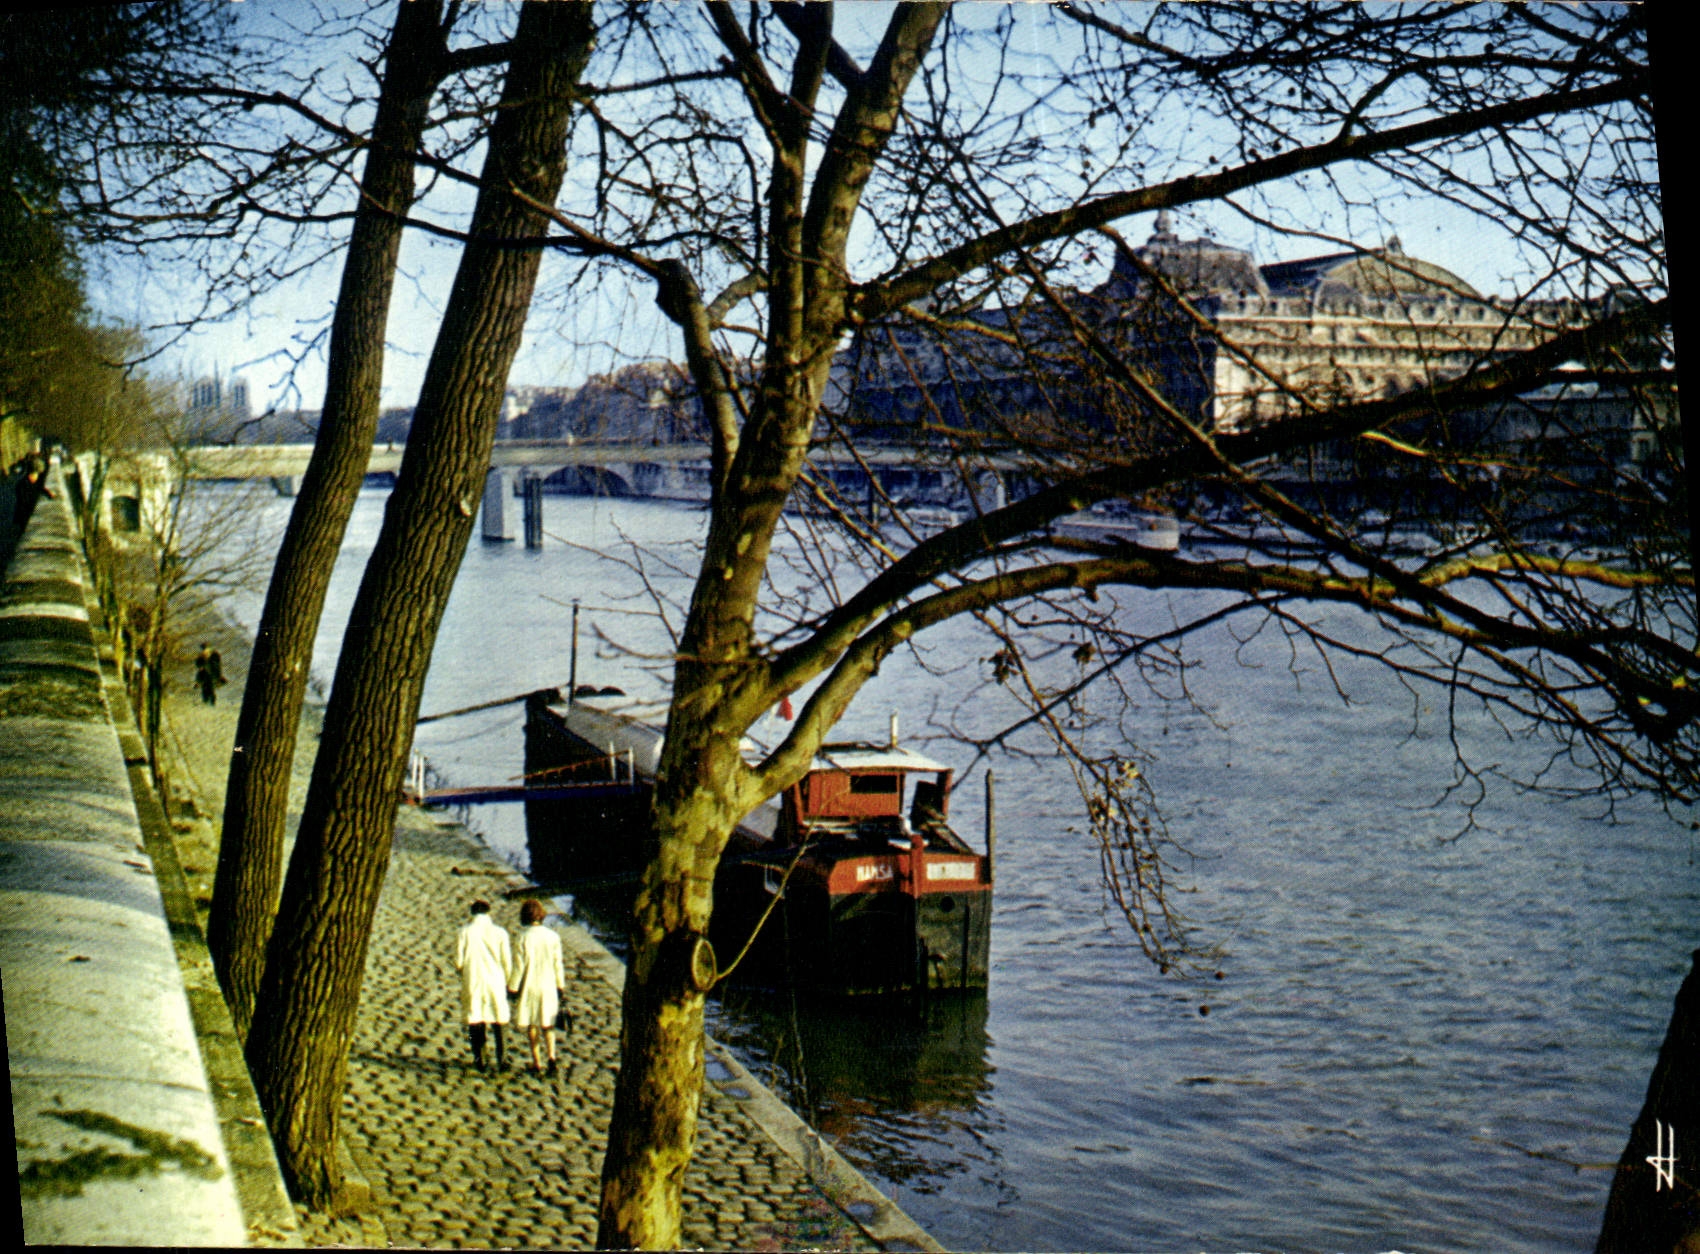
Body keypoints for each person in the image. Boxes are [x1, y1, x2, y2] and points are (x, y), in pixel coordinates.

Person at [509, 898, 566, 1076]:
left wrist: (512, 987)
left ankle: (537, 1062)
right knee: (548, 1025)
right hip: (548, 986)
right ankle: (552, 1058)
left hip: (530, 986)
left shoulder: (522, 937)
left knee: (532, 1025)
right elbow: (558, 964)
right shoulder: (553, 937)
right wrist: (560, 986)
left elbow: (519, 966)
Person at [454, 900, 512, 1073]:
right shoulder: (500, 933)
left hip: (474, 978)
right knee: (499, 1019)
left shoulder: (464, 932)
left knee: (475, 1019)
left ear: (472, 913)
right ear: (489, 912)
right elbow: (506, 962)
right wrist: (507, 981)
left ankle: (480, 1058)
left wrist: (463, 971)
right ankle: (502, 1059)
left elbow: (458, 961)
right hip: (495, 979)